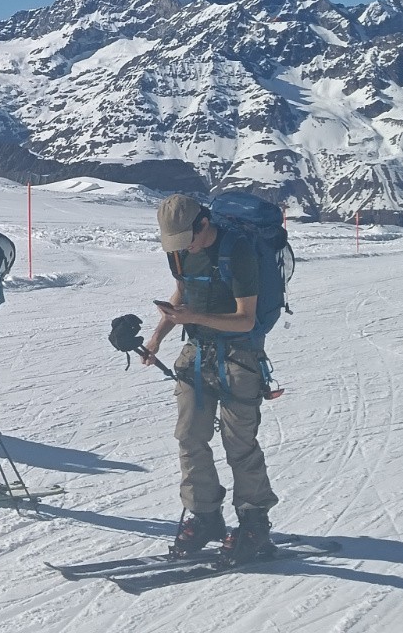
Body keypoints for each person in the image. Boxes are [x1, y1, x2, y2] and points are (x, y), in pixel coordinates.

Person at [139, 194, 279, 562]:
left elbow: (246, 319)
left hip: (239, 356)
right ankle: (205, 516)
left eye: (188, 239)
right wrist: (156, 338)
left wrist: (193, 318)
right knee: (189, 436)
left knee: (239, 442)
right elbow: (183, 292)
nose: (184, 248)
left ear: (204, 223)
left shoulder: (239, 252)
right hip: (197, 351)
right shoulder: (180, 251)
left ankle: (254, 523)